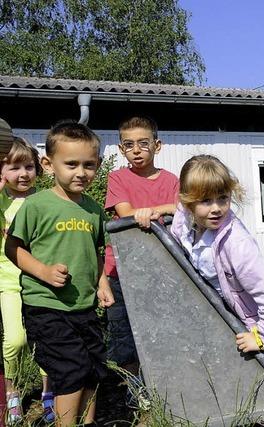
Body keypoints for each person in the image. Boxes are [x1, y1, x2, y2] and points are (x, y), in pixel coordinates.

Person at [5, 121, 114, 427]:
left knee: (94, 368)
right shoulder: (37, 206)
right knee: (71, 369)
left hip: (84, 305)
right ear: (48, 165)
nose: (81, 172)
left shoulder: (93, 209)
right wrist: (43, 270)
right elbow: (12, 248)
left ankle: (86, 423)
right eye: (71, 164)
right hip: (47, 306)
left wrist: (102, 282)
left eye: (89, 165)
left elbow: (96, 251)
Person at [170, 155, 264, 376]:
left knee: (259, 366)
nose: (216, 208)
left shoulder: (237, 244)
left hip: (248, 318)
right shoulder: (186, 224)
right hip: (222, 310)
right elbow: (176, 226)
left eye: (223, 198)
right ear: (188, 202)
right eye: (205, 201)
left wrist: (262, 337)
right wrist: (153, 212)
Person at [104, 116, 178, 403]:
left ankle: (164, 386)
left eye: (143, 144)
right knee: (124, 335)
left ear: (156, 146)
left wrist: (150, 210)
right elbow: (124, 213)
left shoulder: (171, 180)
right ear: (122, 149)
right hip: (120, 271)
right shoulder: (118, 178)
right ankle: (137, 392)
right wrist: (158, 212)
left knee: (163, 330)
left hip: (160, 271)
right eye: (129, 145)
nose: (136, 150)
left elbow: (179, 210)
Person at [0, 138, 54, 424]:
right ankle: (11, 391)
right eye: (13, 167)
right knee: (15, 340)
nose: (23, 174)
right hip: (8, 280)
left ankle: (49, 393)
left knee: (45, 337)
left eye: (29, 166)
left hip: (40, 278)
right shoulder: (2, 201)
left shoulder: (44, 200)